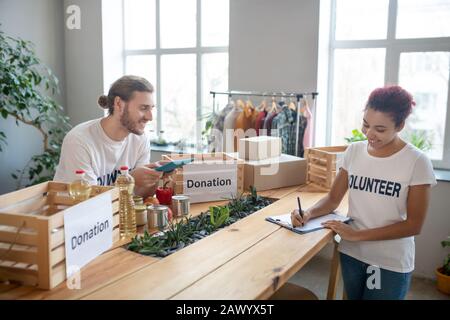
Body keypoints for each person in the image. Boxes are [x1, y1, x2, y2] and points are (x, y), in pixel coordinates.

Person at [291, 85, 436, 300]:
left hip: (387, 261)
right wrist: (308, 213)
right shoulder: (354, 151)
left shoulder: (417, 162)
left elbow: (413, 225)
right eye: (366, 125)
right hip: (352, 253)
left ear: (400, 125)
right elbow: (332, 199)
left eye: (380, 129)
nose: (369, 134)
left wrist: (357, 235)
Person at [54, 75, 164, 199]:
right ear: (118, 104)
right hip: (71, 215)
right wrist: (130, 179)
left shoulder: (140, 139)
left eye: (151, 108)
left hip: (117, 214)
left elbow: (138, 197)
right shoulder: (79, 140)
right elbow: (90, 202)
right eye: (143, 108)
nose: (150, 117)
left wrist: (157, 176)